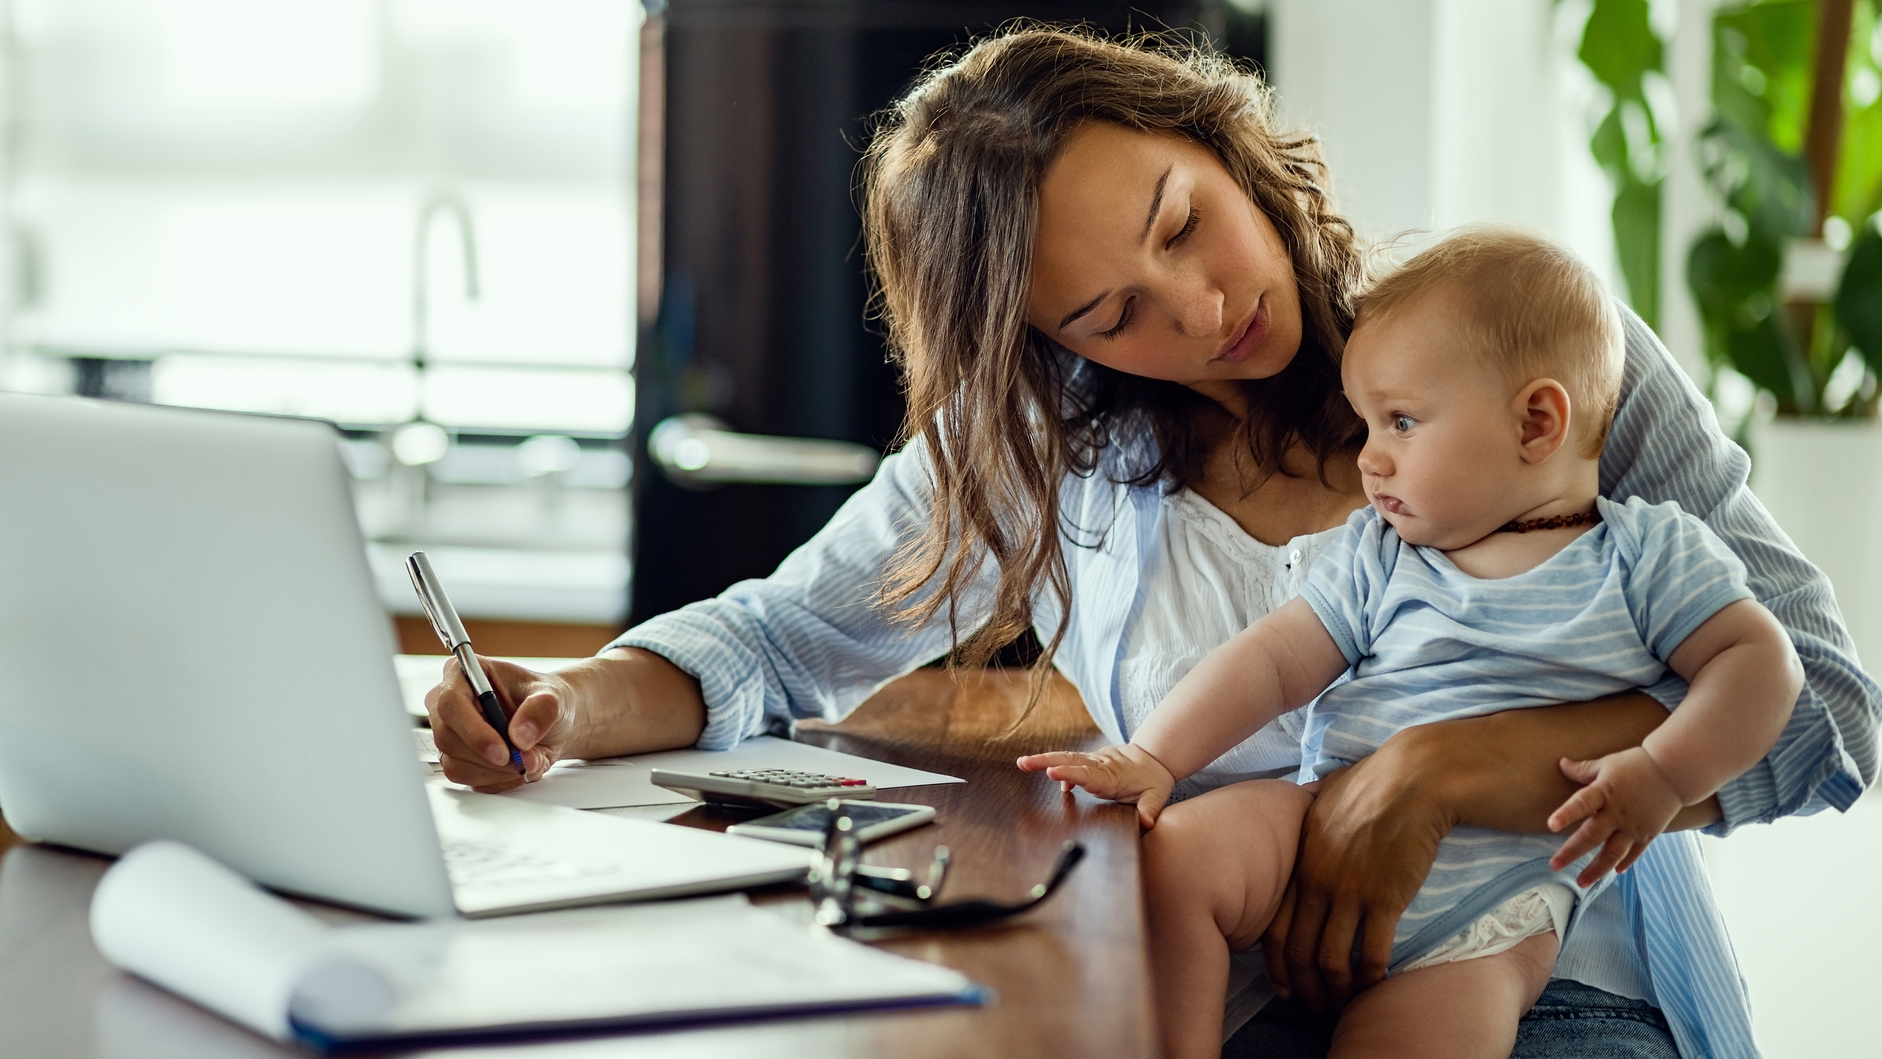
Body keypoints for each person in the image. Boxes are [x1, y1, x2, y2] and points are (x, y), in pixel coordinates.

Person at [425, 27, 1875, 1059]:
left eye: (1184, 224)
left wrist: (1428, 771)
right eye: (1106, 313)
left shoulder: (1525, 356)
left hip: (1545, 980)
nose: (1192, 310)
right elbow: (768, 637)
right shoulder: (1052, 442)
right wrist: (560, 705)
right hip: (1225, 992)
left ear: (1217, 141)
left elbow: (1825, 709)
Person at [1017, 229, 1804, 1059]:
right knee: (1176, 859)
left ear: (1537, 422)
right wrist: (1157, 758)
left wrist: (1665, 773)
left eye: (1400, 421)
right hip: (1325, 822)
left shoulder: (1645, 555)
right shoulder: (1383, 554)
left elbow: (1762, 663)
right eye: (1366, 424)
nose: (1370, 458)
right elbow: (1274, 660)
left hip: (1490, 915)